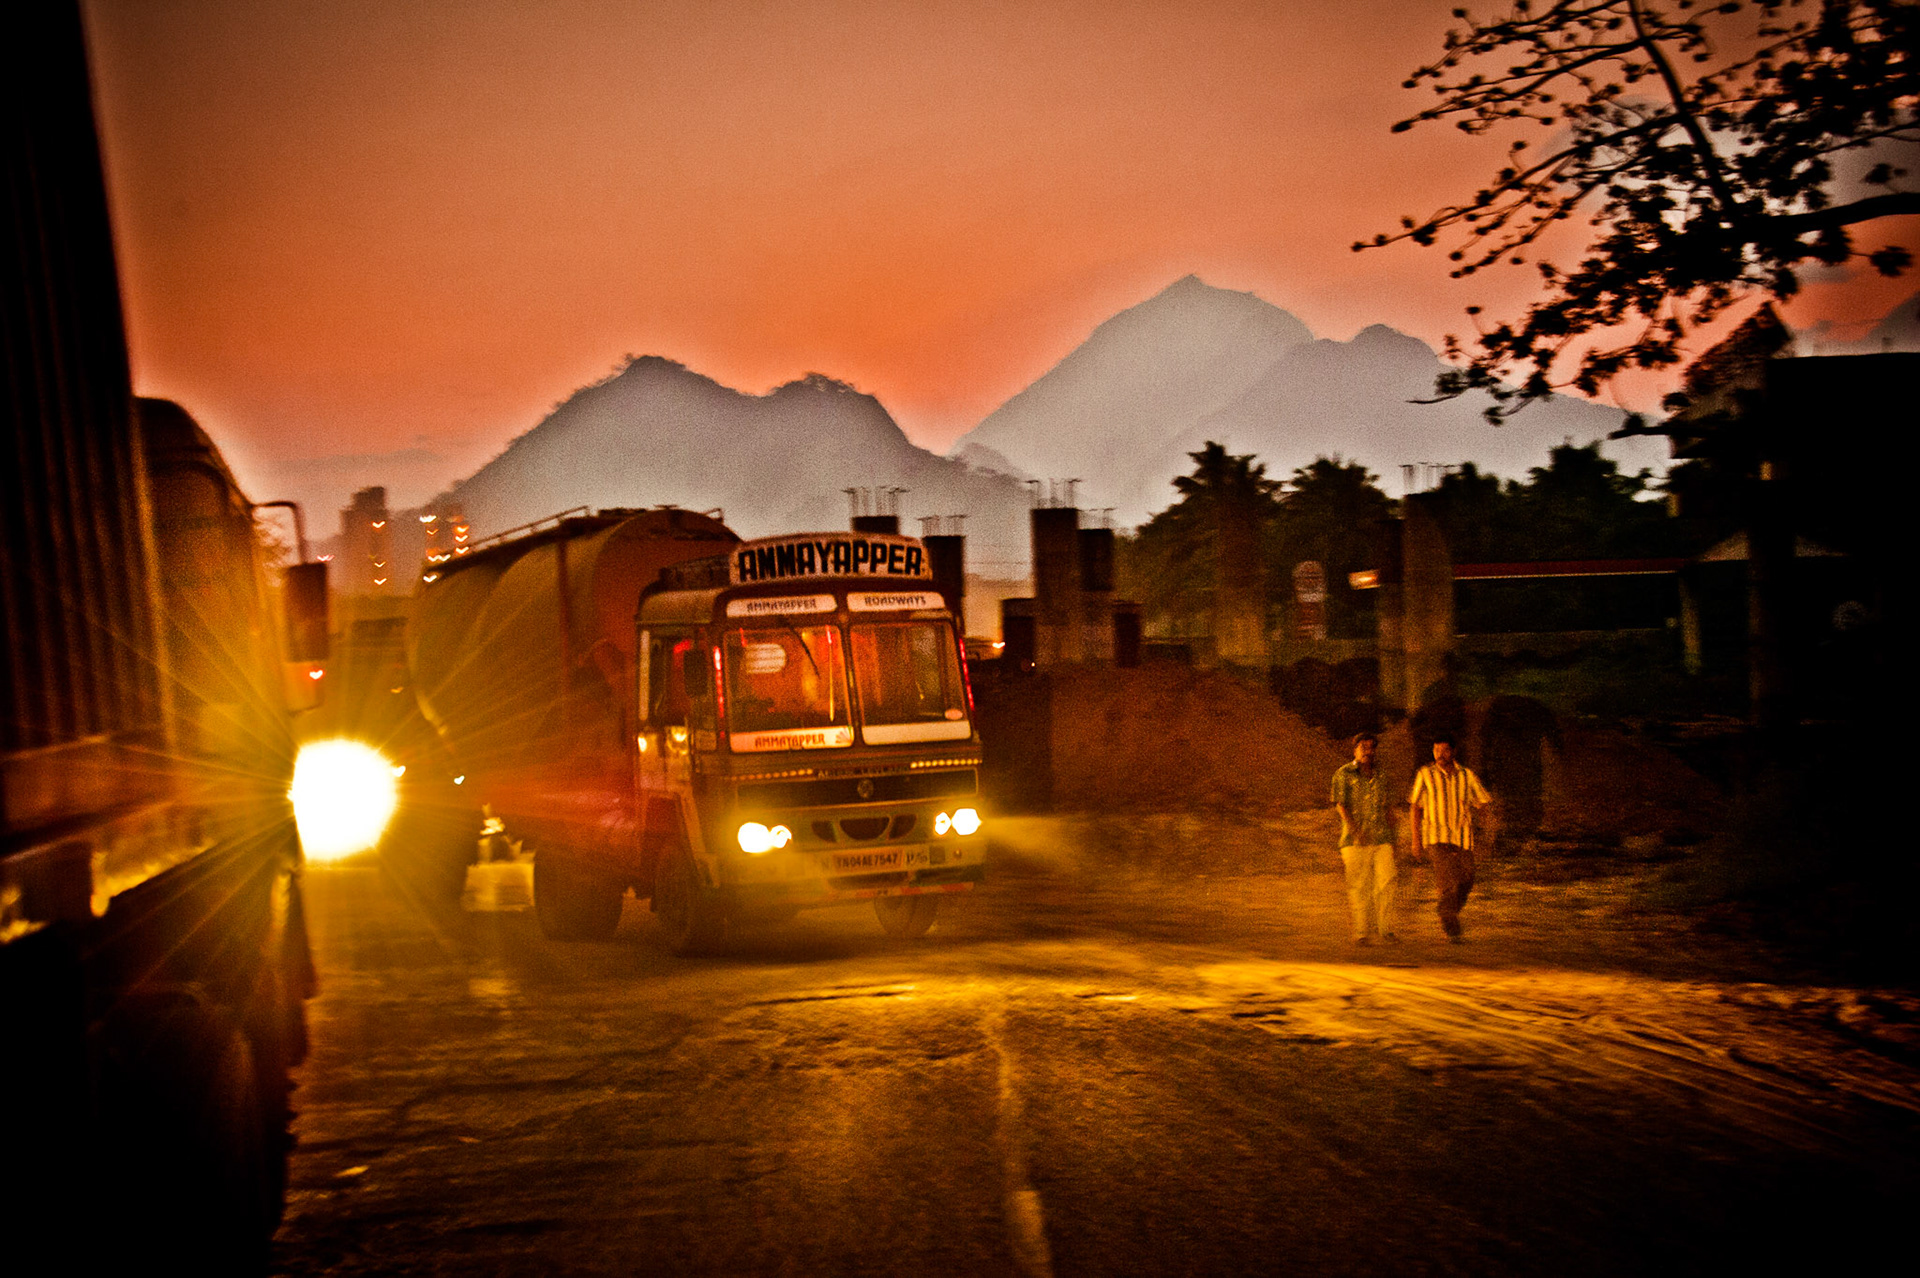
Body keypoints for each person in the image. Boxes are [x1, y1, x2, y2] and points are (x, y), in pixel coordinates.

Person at [1408, 735, 1492, 942]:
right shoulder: (1425, 774)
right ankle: (1451, 927)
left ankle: (1446, 909)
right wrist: (1416, 840)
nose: (1439, 755)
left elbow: (1483, 803)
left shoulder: (1467, 775)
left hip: (1462, 836)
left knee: (1467, 879)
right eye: (1436, 750)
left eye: (1444, 750)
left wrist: (1488, 833)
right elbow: (1415, 808)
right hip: (1436, 837)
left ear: (1453, 751)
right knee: (1447, 883)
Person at [1331, 731, 1396, 945]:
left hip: (1381, 837)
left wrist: (1394, 836)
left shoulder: (1382, 775)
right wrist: (1355, 830)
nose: (1367, 751)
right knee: (1359, 886)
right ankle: (1361, 932)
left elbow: (1387, 806)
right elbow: (1340, 805)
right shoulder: (1343, 774)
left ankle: (1385, 929)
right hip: (1354, 840)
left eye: (1371, 747)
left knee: (1387, 882)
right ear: (1355, 750)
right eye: (1363, 747)